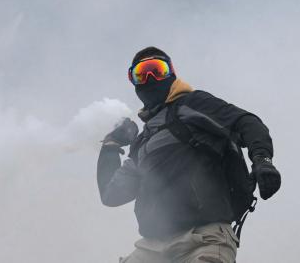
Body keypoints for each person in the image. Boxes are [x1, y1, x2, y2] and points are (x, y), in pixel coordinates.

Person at [97, 47, 281, 263]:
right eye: (141, 73)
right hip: (152, 246)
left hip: (203, 239)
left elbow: (247, 122)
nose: (150, 77)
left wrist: (262, 160)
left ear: (171, 73)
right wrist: (111, 145)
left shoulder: (192, 104)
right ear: (134, 82)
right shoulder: (143, 142)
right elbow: (112, 195)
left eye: (157, 69)